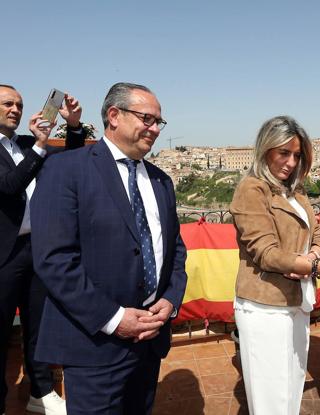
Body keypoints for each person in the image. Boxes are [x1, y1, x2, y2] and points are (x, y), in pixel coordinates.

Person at [30, 82, 188, 415]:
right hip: (93, 346)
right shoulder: (65, 170)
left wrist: (170, 300)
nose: (156, 129)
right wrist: (114, 319)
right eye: (147, 118)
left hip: (150, 341)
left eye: (160, 122)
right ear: (114, 115)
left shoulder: (162, 180)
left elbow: (175, 249)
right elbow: (54, 260)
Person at [230, 115, 320, 415]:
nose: (291, 162)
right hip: (265, 305)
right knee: (271, 398)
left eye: (296, 155)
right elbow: (266, 253)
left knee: (291, 387)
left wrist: (308, 260)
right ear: (266, 149)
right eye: (284, 153)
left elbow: (318, 233)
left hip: (296, 301)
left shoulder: (295, 190)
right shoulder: (252, 189)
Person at [0, 84, 84, 415]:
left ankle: (41, 391)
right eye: (7, 103)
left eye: (19, 104)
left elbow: (69, 161)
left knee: (38, 325)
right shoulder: (30, 146)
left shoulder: (24, 144)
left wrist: (74, 126)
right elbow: (9, 185)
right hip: (4, 255)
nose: (15, 110)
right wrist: (39, 143)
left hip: (36, 250)